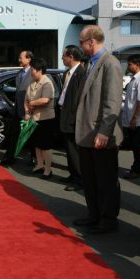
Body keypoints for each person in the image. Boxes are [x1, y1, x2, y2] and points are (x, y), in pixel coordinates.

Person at [73, 25, 123, 234]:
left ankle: (108, 219)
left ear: (91, 41)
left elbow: (112, 102)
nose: (80, 46)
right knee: (90, 179)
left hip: (101, 134)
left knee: (105, 181)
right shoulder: (90, 64)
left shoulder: (110, 63)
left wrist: (104, 131)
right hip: (86, 134)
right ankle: (94, 214)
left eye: (81, 42)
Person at [0, 50, 34, 165]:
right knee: (14, 135)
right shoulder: (20, 73)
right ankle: (9, 158)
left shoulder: (34, 72)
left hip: (29, 110)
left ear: (29, 59)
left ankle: (35, 160)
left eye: (21, 57)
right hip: (17, 110)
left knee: (31, 136)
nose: (19, 60)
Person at [58, 45, 85, 191]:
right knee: (68, 149)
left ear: (71, 57)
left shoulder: (81, 73)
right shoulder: (68, 73)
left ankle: (79, 179)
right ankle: (73, 174)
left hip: (73, 117)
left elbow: (79, 99)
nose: (62, 58)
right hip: (65, 114)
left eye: (64, 56)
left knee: (74, 150)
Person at [24, 58, 55, 179]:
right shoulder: (32, 82)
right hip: (34, 117)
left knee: (45, 145)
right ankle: (39, 165)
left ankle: (48, 169)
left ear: (40, 70)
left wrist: (32, 103)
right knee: (37, 144)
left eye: (32, 70)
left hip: (45, 118)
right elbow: (26, 100)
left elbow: (45, 100)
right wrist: (27, 111)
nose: (31, 72)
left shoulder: (47, 82)